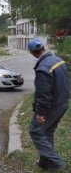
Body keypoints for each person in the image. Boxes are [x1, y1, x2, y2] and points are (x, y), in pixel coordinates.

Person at [27, 38, 69, 172]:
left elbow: (44, 94)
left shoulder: (43, 68)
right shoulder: (57, 60)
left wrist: (41, 113)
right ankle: (46, 161)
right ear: (43, 48)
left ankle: (56, 163)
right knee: (47, 131)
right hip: (63, 103)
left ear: (32, 52)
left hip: (52, 106)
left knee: (35, 131)